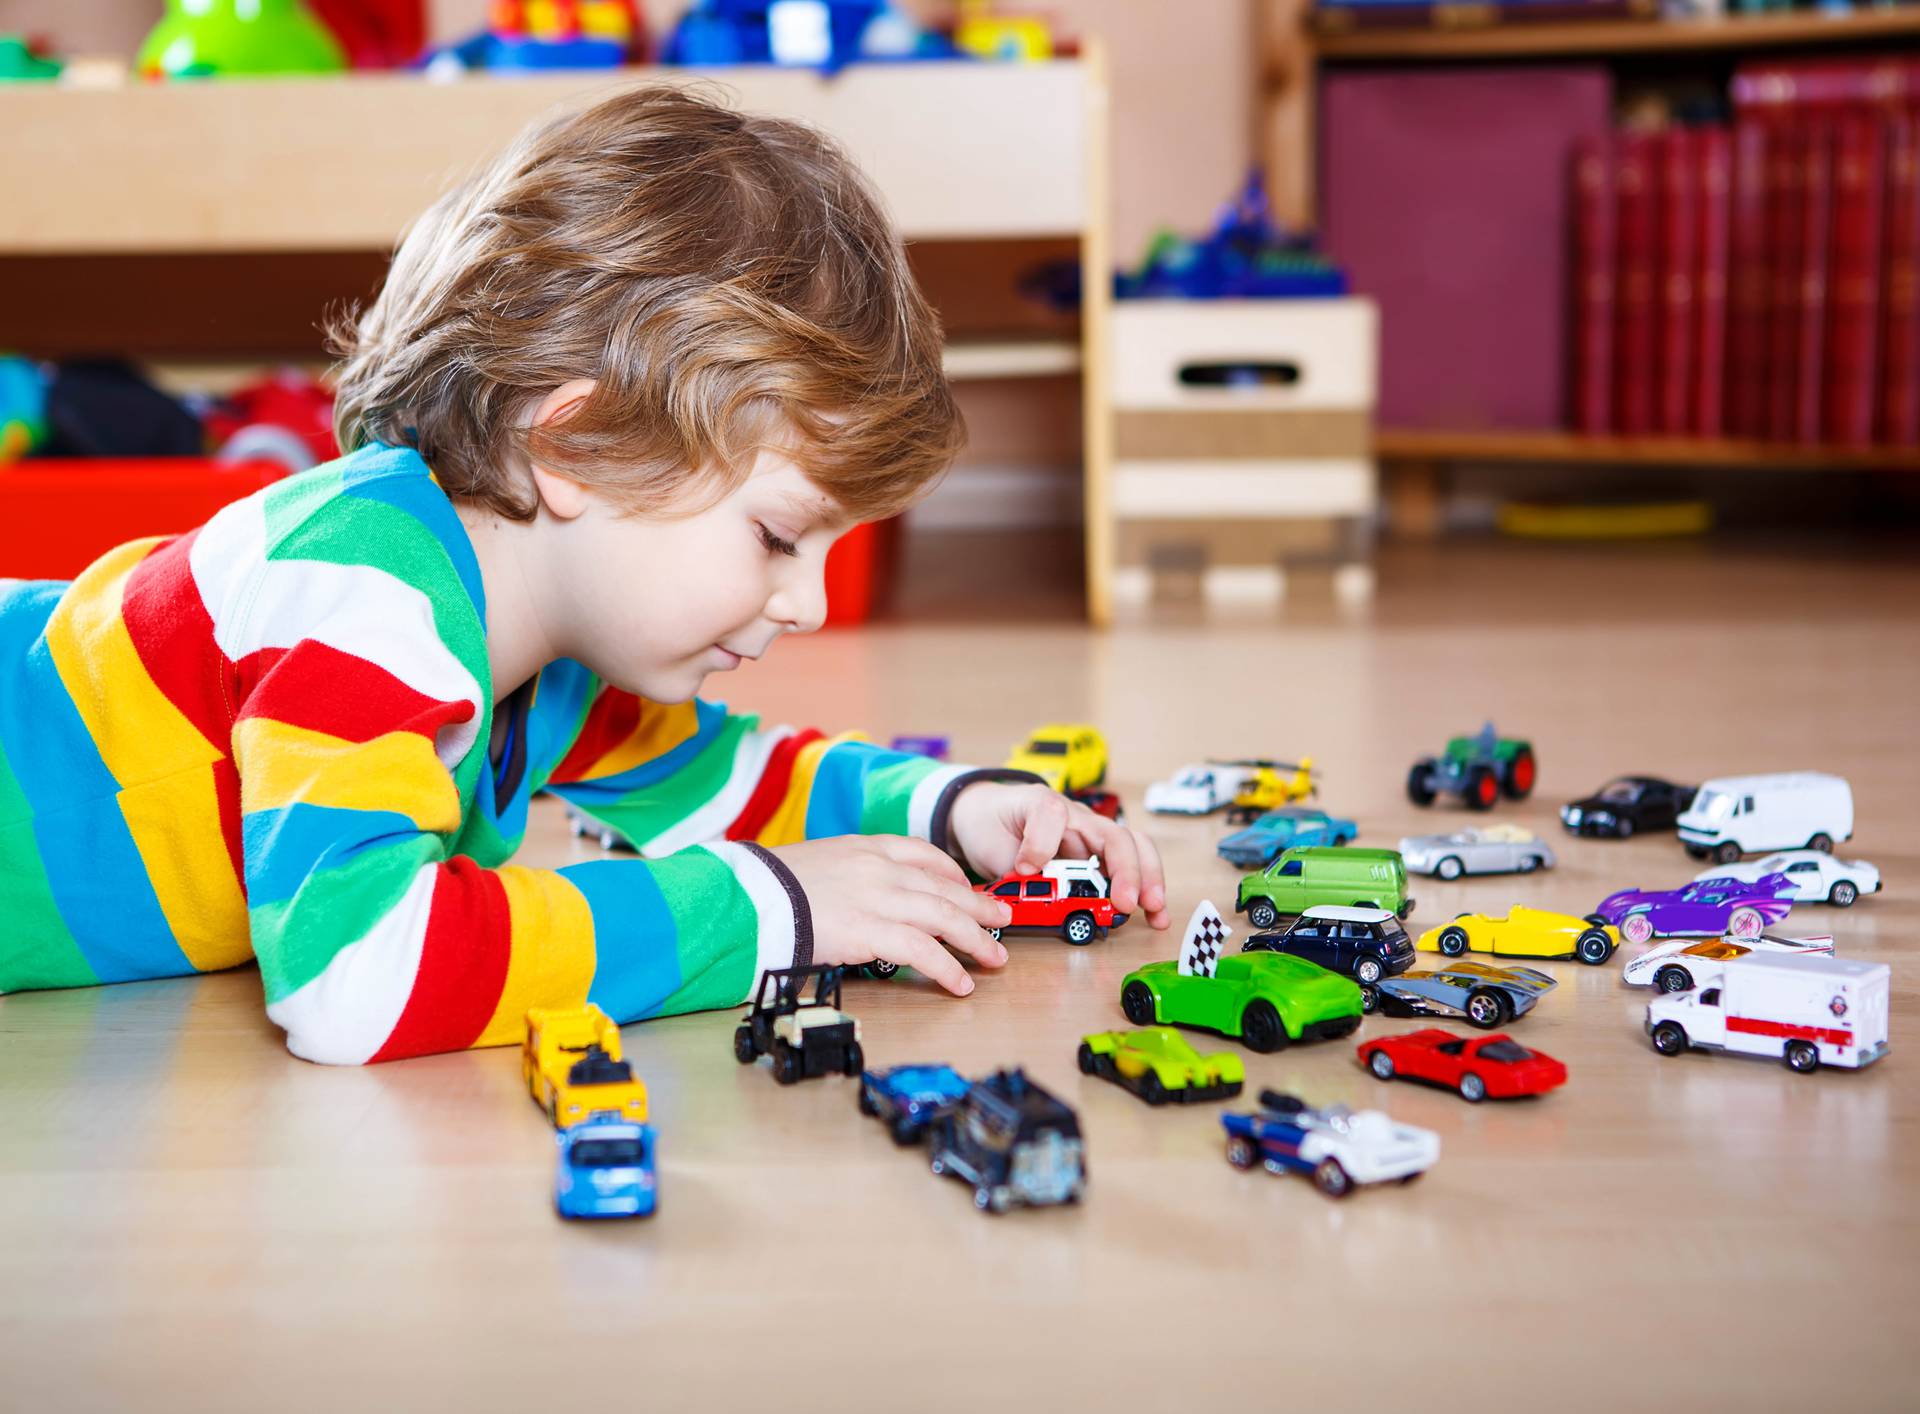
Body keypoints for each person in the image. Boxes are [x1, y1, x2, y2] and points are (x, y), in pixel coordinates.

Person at [0, 85, 1167, 1064]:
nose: (808, 605)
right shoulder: (365, 596)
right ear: (575, 448)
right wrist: (774, 906)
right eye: (776, 537)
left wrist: (951, 808)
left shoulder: (539, 649)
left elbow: (715, 778)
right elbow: (356, 979)